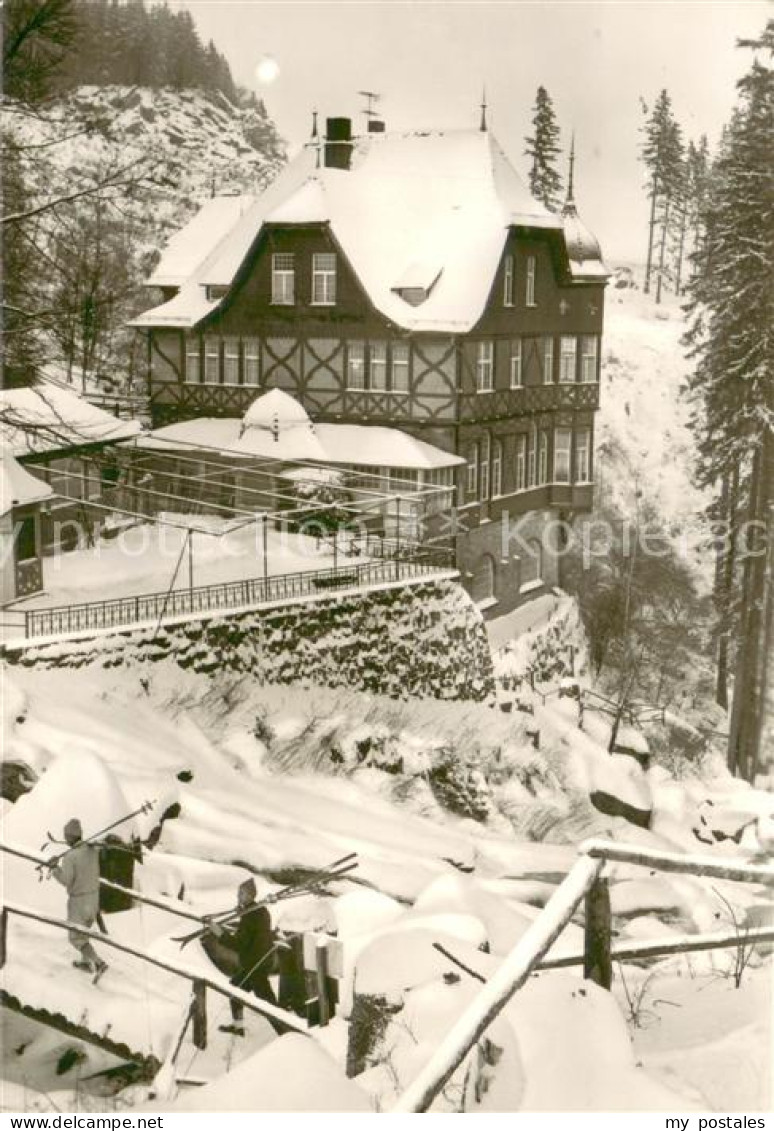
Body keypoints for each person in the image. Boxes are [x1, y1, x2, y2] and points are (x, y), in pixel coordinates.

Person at [207, 877, 284, 1038]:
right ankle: (238, 1027)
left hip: (256, 965)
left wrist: (219, 933)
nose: (238, 896)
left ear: (250, 895)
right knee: (235, 989)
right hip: (259, 961)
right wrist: (241, 911)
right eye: (238, 893)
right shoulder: (258, 910)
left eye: (241, 893)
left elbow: (239, 944)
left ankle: (285, 1033)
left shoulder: (251, 915)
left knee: (266, 1002)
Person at [50, 818, 108, 979]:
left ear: (69, 837)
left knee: (76, 937)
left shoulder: (71, 856)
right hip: (94, 898)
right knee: (84, 932)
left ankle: (98, 963)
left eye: (65, 836)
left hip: (79, 901)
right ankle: (85, 963)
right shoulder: (91, 849)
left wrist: (55, 868)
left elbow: (66, 880)